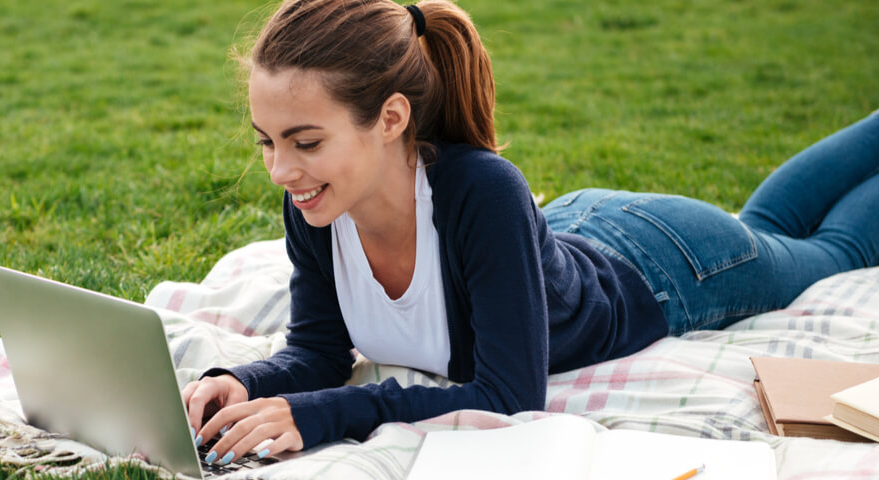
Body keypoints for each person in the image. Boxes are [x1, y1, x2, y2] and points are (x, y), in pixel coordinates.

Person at [180, 0, 879, 466]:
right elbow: (318, 350)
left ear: (391, 119)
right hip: (566, 231)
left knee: (827, 251)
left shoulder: (480, 191)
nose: (279, 170)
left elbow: (510, 393)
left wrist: (326, 415)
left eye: (303, 141)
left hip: (661, 264)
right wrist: (243, 384)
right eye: (266, 142)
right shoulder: (316, 205)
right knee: (769, 225)